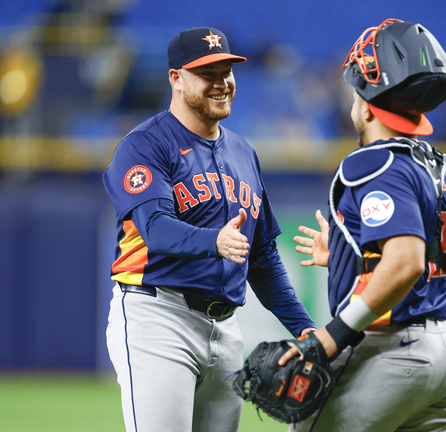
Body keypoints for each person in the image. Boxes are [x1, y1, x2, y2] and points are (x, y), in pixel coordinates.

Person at [101, 26, 317, 432]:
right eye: (208, 73)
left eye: (227, 71)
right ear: (176, 79)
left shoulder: (243, 152)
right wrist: (213, 241)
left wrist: (307, 330)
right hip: (157, 316)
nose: (221, 83)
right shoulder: (145, 144)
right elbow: (156, 228)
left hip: (225, 329)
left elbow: (262, 258)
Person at [280, 19, 446, 432]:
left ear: (366, 105)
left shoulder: (375, 162)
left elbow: (406, 264)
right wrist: (351, 255)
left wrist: (332, 335)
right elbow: (437, 256)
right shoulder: (435, 164)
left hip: (393, 349)